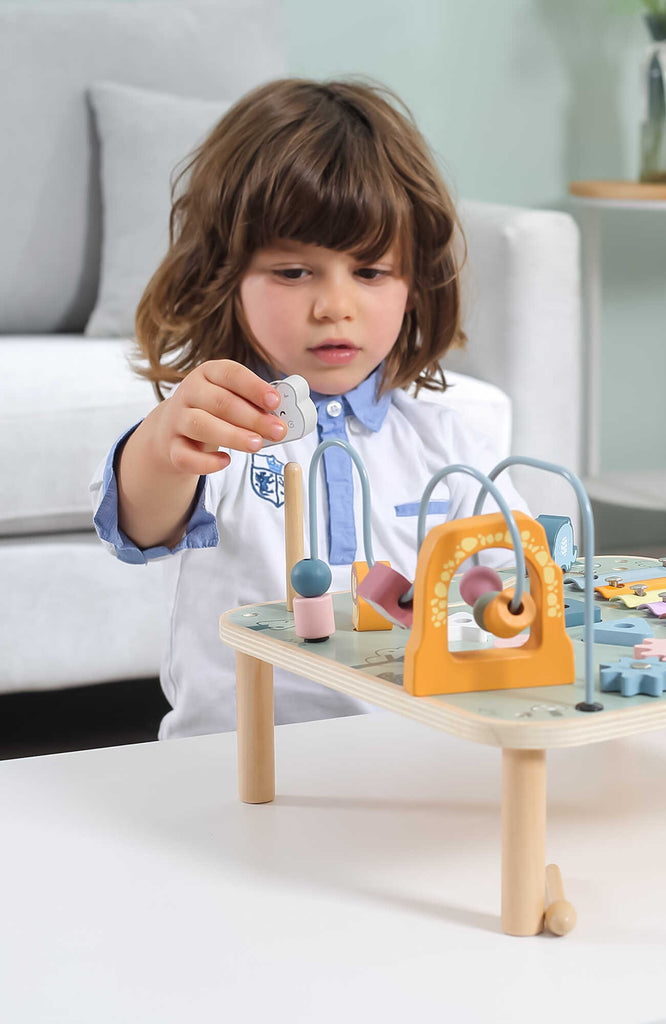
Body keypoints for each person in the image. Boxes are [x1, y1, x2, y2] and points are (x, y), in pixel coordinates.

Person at [91, 78, 526, 740]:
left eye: (371, 272)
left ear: (416, 287)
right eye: (294, 272)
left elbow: (515, 571)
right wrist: (162, 447)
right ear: (225, 277)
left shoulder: (451, 434)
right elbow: (141, 523)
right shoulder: (220, 423)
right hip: (236, 762)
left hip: (414, 752)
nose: (334, 306)